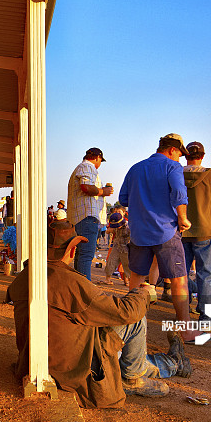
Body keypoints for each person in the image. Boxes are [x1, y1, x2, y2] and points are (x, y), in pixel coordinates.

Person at [5, 220, 191, 408]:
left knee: (127, 353)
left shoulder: (26, 275)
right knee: (136, 319)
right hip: (73, 369)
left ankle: (173, 362)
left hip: (43, 358)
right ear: (72, 250)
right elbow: (126, 312)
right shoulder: (70, 281)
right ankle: (139, 377)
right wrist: (142, 293)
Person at [118, 133, 198, 340]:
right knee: (179, 280)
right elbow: (180, 193)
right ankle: (185, 330)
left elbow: (123, 198)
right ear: (172, 150)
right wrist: (183, 218)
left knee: (136, 279)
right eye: (180, 154)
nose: (180, 158)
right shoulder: (172, 167)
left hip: (138, 233)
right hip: (166, 231)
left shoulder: (135, 168)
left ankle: (132, 328)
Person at [182, 141, 211, 322]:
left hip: (183, 230)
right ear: (202, 156)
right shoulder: (209, 175)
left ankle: (184, 311)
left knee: (182, 275)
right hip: (205, 231)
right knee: (205, 275)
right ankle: (206, 314)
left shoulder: (178, 174)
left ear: (186, 156)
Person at [66, 147, 113, 281]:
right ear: (98, 158)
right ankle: (85, 290)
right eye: (100, 161)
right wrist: (104, 191)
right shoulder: (88, 167)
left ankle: (79, 288)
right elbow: (86, 187)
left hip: (80, 218)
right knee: (86, 255)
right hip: (87, 217)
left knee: (81, 255)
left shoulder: (81, 167)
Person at [104, 208, 130, 286]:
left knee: (127, 265)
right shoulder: (114, 226)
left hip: (126, 249)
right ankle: (107, 279)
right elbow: (107, 231)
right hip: (116, 246)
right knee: (111, 262)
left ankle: (129, 281)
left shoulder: (129, 227)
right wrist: (110, 230)